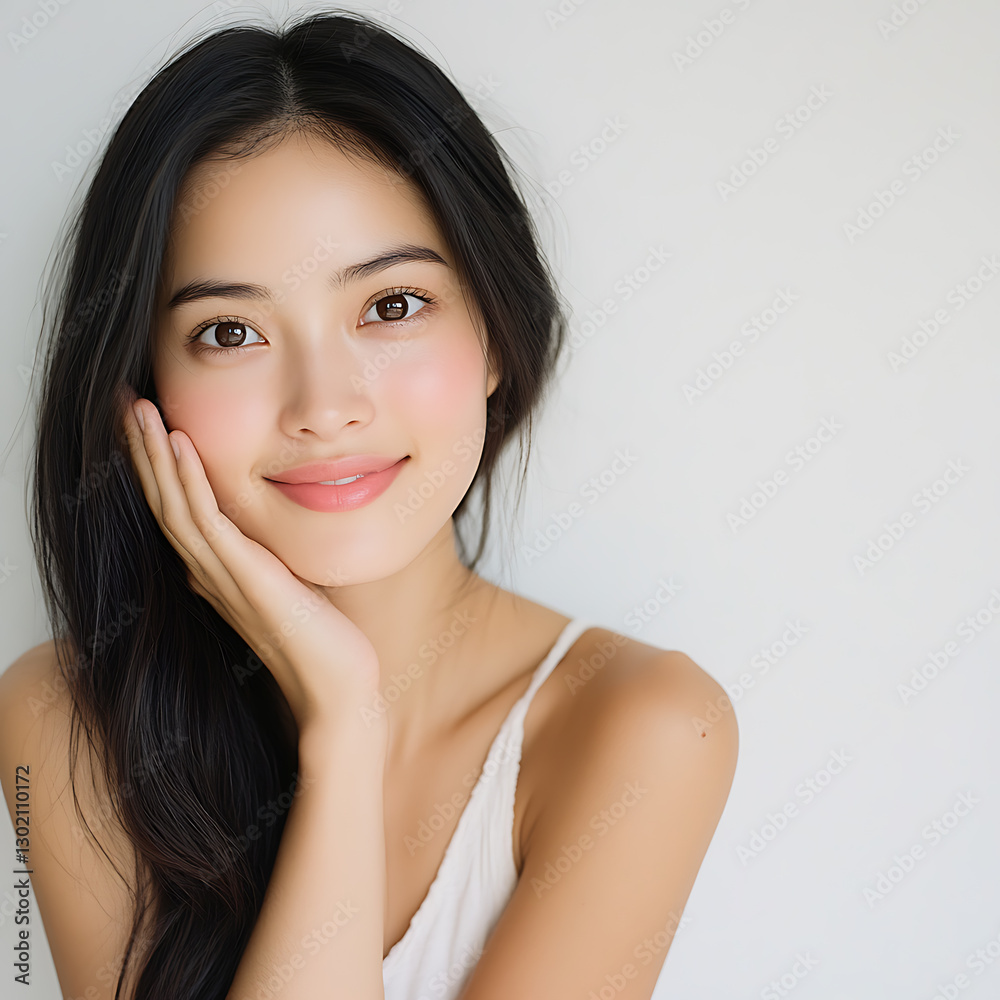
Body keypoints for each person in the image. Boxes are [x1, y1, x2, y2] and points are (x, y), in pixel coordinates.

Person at [0, 9, 738, 999]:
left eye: (391, 307)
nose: (324, 406)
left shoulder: (642, 727)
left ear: (494, 336)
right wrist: (344, 725)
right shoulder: (62, 719)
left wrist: (344, 724)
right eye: (229, 332)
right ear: (141, 390)